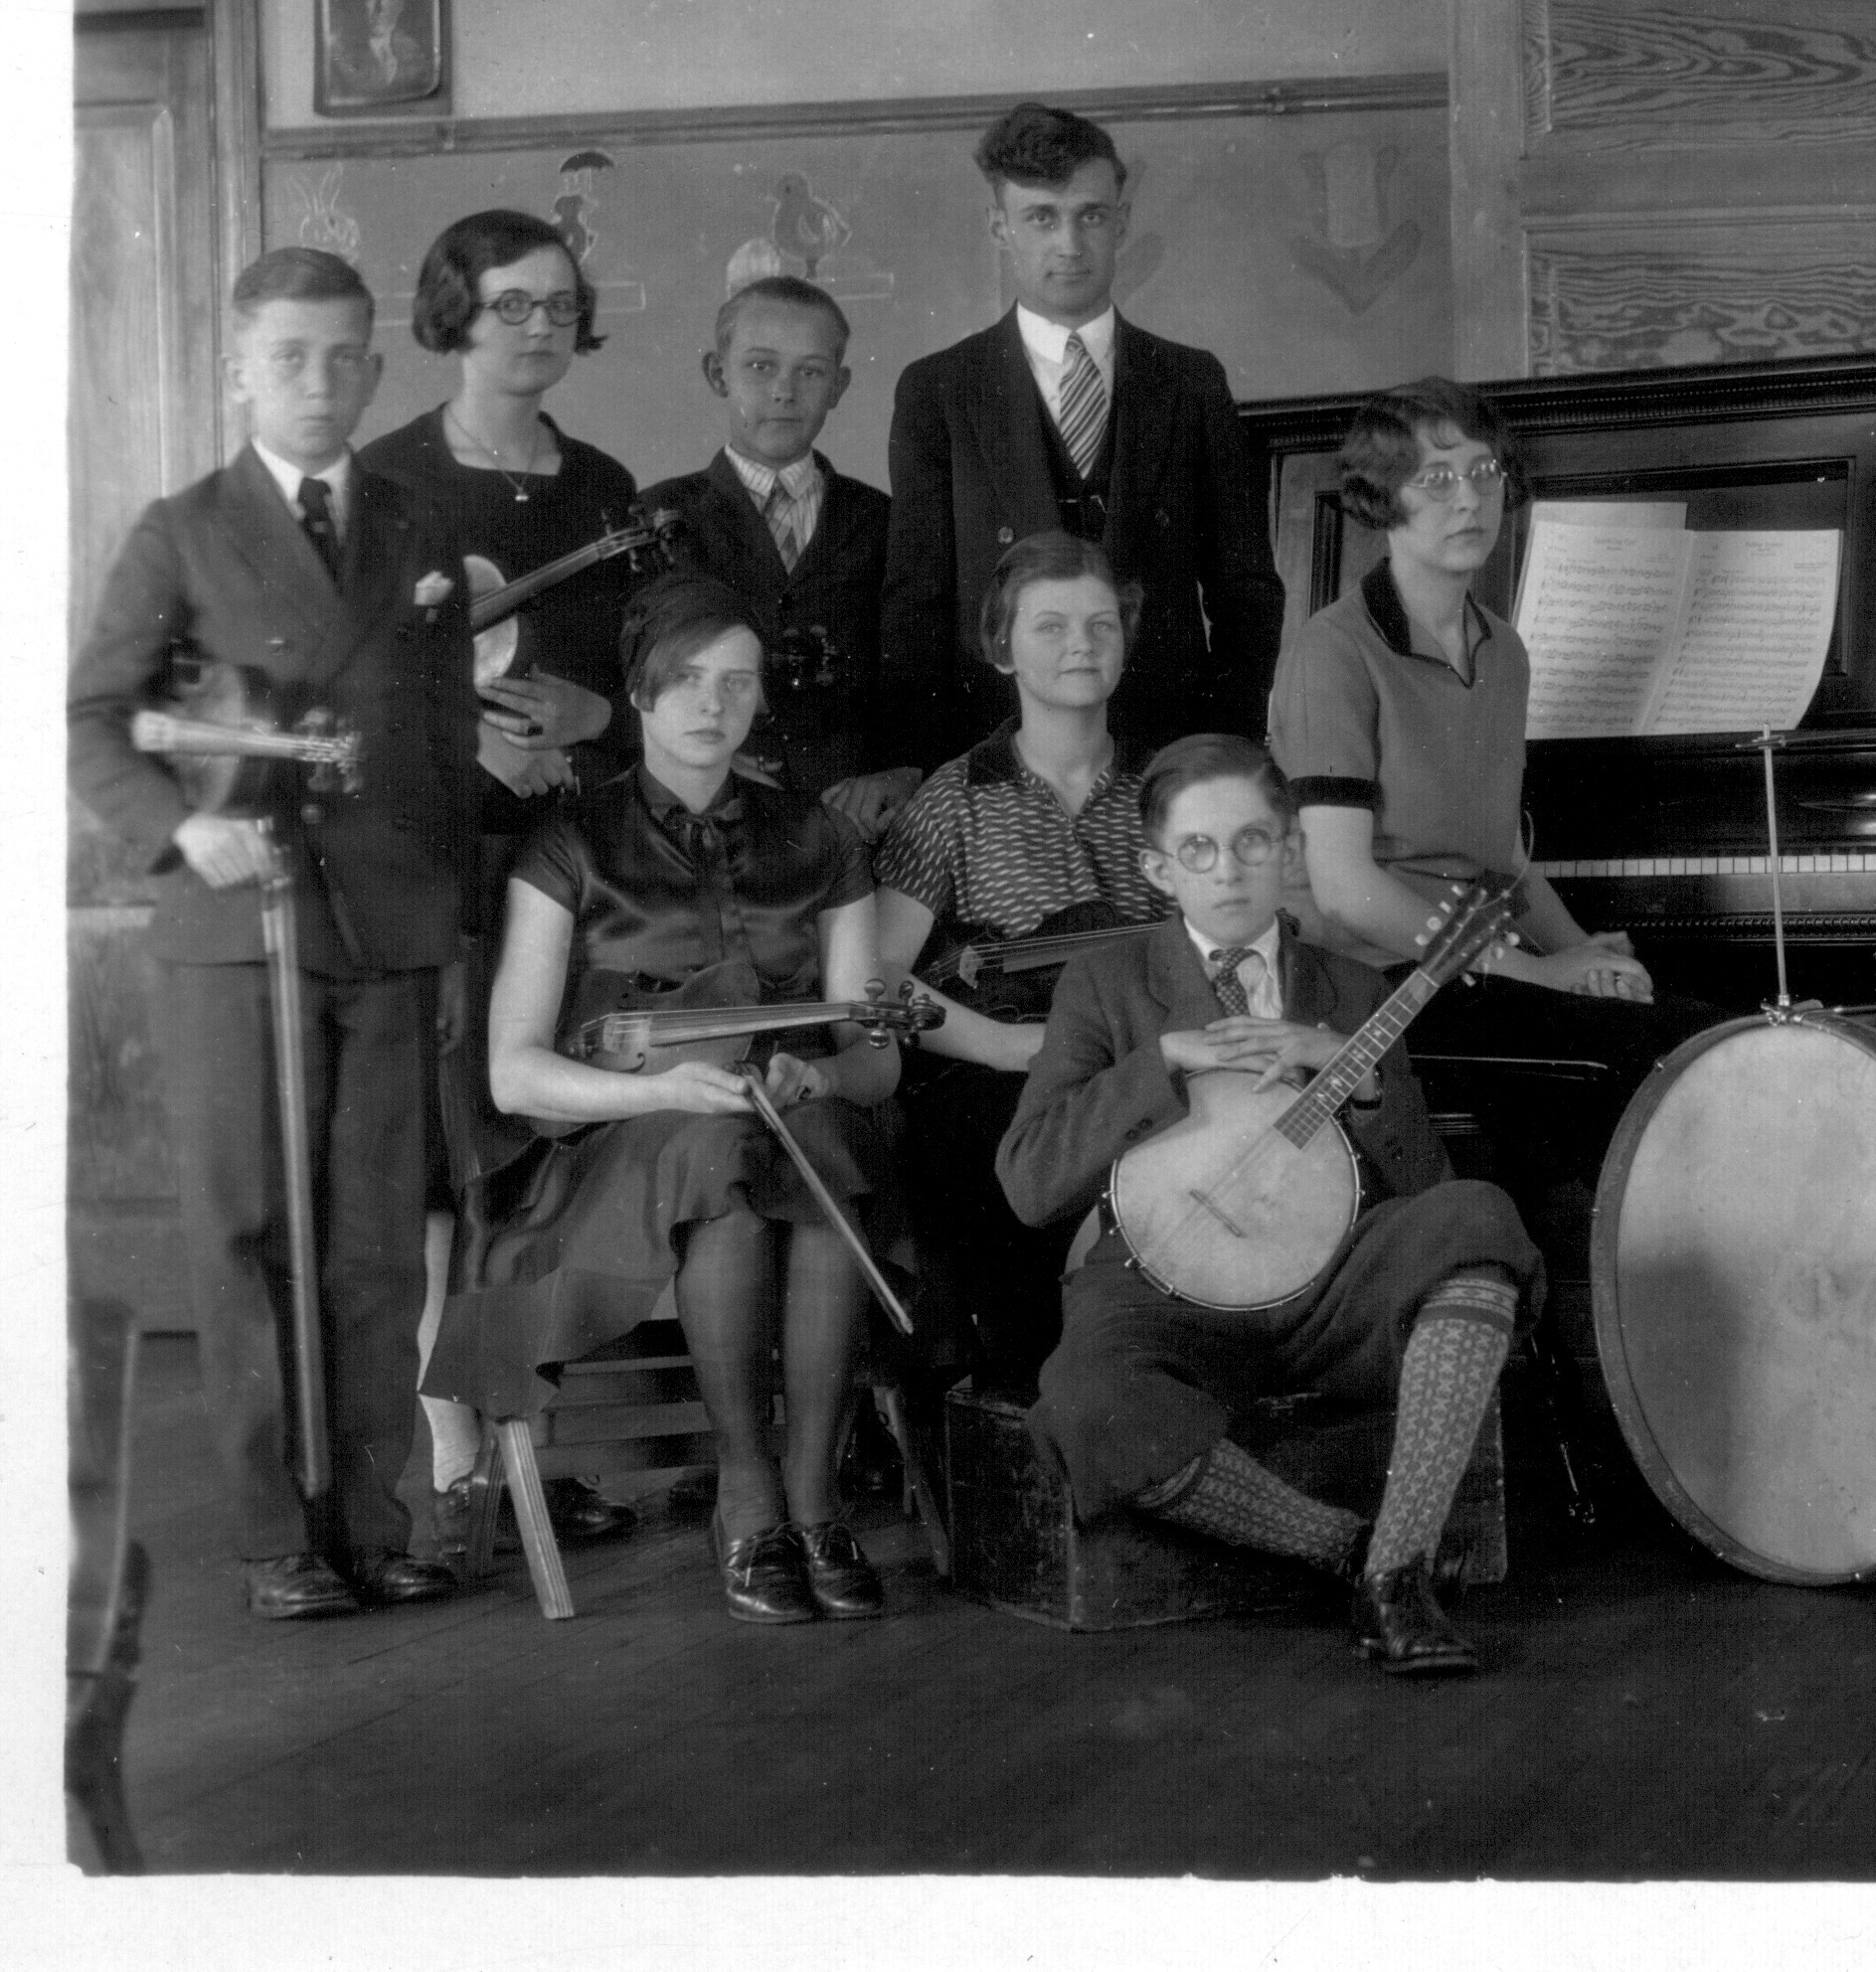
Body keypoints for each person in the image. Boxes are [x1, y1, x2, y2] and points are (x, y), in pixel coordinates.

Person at [68, 247, 479, 1618]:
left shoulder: (417, 529)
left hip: (385, 922)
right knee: (244, 1227)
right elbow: (95, 716)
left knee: (372, 1238)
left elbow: (443, 736)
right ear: (238, 366)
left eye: (344, 354)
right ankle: (275, 1537)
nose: (319, 381)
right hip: (232, 924)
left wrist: (445, 910)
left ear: (375, 365)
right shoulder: (180, 527)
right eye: (288, 355)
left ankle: (372, 1514)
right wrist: (183, 827)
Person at [423, 576, 911, 1624]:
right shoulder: (570, 841)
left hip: (789, 1130)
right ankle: (749, 1497)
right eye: (686, 680)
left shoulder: (820, 841)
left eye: (738, 682)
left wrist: (820, 1070)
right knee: (711, 1157)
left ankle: (815, 1505)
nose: (713, 704)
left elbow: (877, 1064)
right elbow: (514, 1072)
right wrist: (654, 1093)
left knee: (815, 1150)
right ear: (639, 694)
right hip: (613, 1148)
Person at [1000, 737, 1540, 1678]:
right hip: (1158, 1290)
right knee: (1086, 1398)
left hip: (1330, 1285)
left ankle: (1402, 1564)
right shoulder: (1107, 985)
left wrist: (1361, 1085)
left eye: (1254, 841)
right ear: (1158, 868)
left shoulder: (1352, 989)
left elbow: (1423, 1190)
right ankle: (1351, 1551)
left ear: (1290, 850)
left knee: (1476, 1218)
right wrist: (1162, 1060)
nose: (1231, 869)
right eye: (1200, 849)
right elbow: (1030, 1180)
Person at [1270, 378, 1721, 1267]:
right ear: (1382, 499)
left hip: (1476, 969)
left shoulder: (1502, 648)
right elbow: (1348, 892)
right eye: (1435, 479)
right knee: (1666, 1059)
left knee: (1709, 1028)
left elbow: (1503, 854)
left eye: (1483, 471)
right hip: (1376, 985)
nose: (1470, 497)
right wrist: (1542, 974)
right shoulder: (1334, 648)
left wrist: (1590, 955)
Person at [359, 207, 650, 1556]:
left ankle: (531, 1449)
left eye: (557, 304)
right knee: (441, 1167)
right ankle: (460, 1457)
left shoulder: (603, 487)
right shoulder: (386, 480)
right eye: (510, 303)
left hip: (569, 865)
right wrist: (464, 733)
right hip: (436, 873)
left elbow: (655, 677)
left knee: (541, 1166)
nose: (539, 327)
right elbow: (346, 693)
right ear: (452, 313)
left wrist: (600, 722)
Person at [878, 102, 1283, 779]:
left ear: (1121, 222)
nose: (1069, 243)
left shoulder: (1190, 381)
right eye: (1042, 217)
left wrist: (1223, 749)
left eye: (1090, 216)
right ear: (999, 228)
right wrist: (923, 766)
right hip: (996, 757)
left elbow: (1247, 592)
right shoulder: (939, 390)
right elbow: (915, 607)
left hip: (1165, 756)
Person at [870, 535, 1171, 1396]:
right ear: (1002, 647)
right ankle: (1040, 1409)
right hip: (1003, 1077)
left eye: (1101, 624)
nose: (1081, 644)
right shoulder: (955, 796)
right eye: (1050, 626)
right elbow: (878, 979)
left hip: (1147, 1061)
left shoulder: (1169, 789)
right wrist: (1008, 1048)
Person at [637, 275, 902, 830]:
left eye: (811, 371)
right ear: (718, 373)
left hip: (851, 815)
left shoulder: (884, 520)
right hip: (703, 809)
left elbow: (915, 670)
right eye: (760, 367)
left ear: (839, 385)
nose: (785, 390)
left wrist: (894, 773)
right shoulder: (658, 517)